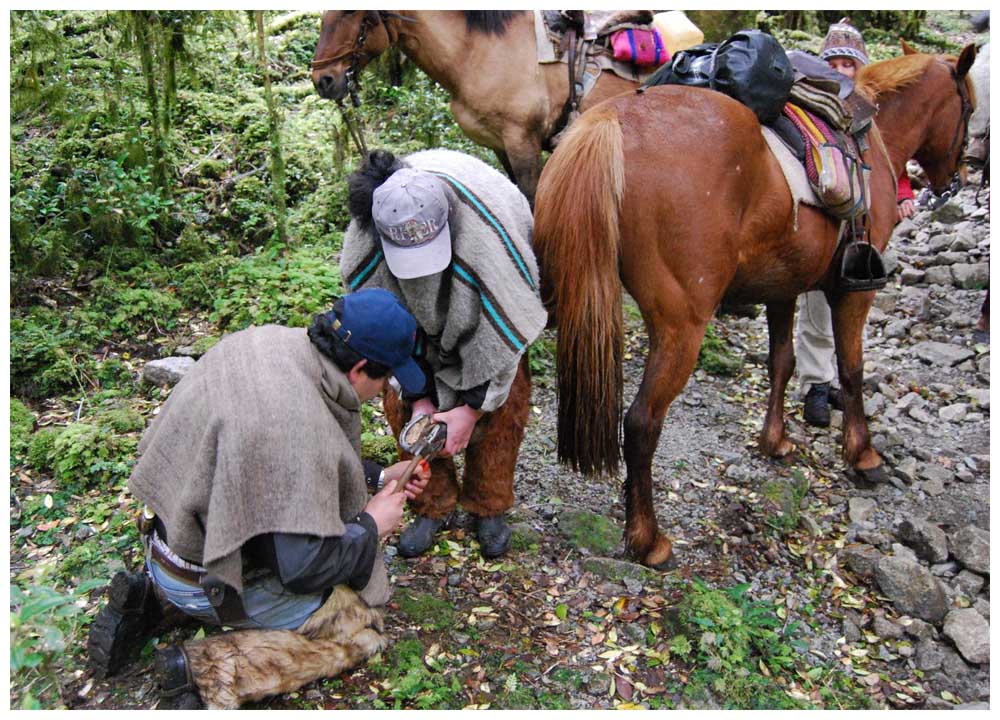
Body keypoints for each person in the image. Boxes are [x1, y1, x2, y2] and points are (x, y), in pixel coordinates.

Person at [86, 288, 432, 709]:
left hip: (167, 537)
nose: (383, 393)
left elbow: (283, 465)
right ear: (360, 369)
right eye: (385, 381)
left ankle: (150, 603)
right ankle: (202, 671)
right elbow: (301, 569)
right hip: (209, 579)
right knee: (361, 629)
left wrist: (376, 477)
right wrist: (372, 524)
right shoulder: (294, 425)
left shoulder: (271, 344)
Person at [340, 148, 547, 559]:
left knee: (504, 404)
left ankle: (489, 503)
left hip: (483, 280)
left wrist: (469, 411)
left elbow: (506, 337)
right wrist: (418, 399)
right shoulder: (364, 242)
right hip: (412, 329)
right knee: (403, 408)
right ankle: (430, 503)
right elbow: (381, 337)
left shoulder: (488, 241)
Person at [796, 18, 916, 426]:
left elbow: (888, 161)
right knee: (816, 303)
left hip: (863, 226)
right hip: (826, 221)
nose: (842, 70)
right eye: (836, 61)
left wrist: (902, 194)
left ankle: (829, 378)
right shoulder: (810, 100)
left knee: (850, 306)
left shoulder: (869, 108)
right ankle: (814, 382)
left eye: (850, 63)